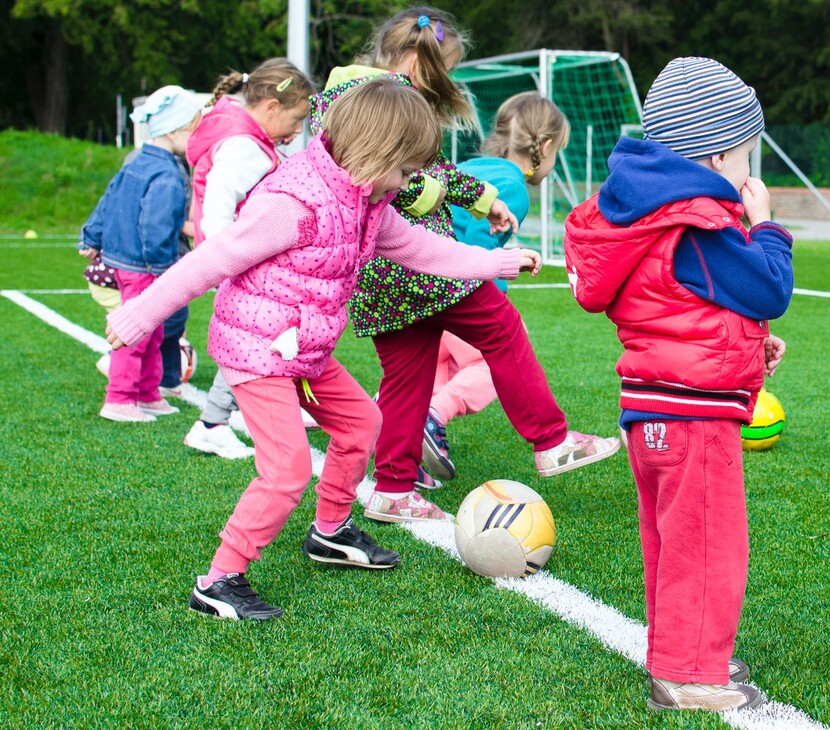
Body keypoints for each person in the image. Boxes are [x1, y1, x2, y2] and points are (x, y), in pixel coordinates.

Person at [104, 78, 541, 621]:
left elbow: (420, 249)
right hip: (257, 350)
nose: (410, 184)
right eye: (406, 171)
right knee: (286, 469)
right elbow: (212, 260)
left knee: (363, 424)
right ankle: (218, 581)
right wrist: (140, 314)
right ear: (375, 153)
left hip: (304, 351)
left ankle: (330, 532)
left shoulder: (368, 200)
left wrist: (498, 262)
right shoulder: (294, 202)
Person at [310, 6, 619, 526]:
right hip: (418, 264)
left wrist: (483, 201)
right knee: (501, 328)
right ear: (414, 59)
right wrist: (442, 200)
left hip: (378, 274)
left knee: (408, 376)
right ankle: (551, 440)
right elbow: (398, 181)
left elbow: (430, 169)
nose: (444, 82)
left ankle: (392, 488)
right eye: (442, 70)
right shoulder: (379, 99)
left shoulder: (346, 94)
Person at [564, 57, 794, 712]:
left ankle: (683, 652)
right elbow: (769, 285)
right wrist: (766, 225)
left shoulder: (650, 215)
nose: (751, 172)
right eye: (748, 155)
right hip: (692, 418)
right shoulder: (697, 222)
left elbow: (681, 307)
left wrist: (749, 347)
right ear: (718, 153)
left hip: (655, 409)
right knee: (707, 546)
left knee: (673, 544)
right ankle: (689, 676)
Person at [422, 91, 571, 481]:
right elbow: (475, 247)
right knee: (494, 360)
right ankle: (434, 416)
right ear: (545, 146)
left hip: (417, 286)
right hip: (451, 288)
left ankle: (395, 427)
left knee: (429, 370)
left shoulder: (473, 166)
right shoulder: (514, 189)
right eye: (558, 153)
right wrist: (496, 296)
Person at [180, 58, 317, 460]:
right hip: (242, 263)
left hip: (242, 261)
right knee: (255, 340)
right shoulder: (244, 148)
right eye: (296, 120)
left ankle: (228, 416)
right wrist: (231, 258)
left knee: (262, 337)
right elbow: (218, 210)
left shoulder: (247, 138)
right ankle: (212, 423)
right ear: (271, 108)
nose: (296, 133)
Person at [79, 85, 202, 423]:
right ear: (176, 130)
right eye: (194, 129)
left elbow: (108, 198)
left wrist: (91, 234)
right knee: (136, 331)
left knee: (154, 330)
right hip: (145, 265)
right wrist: (164, 269)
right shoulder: (166, 173)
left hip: (129, 260)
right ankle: (119, 398)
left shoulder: (138, 160)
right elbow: (155, 224)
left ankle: (148, 393)